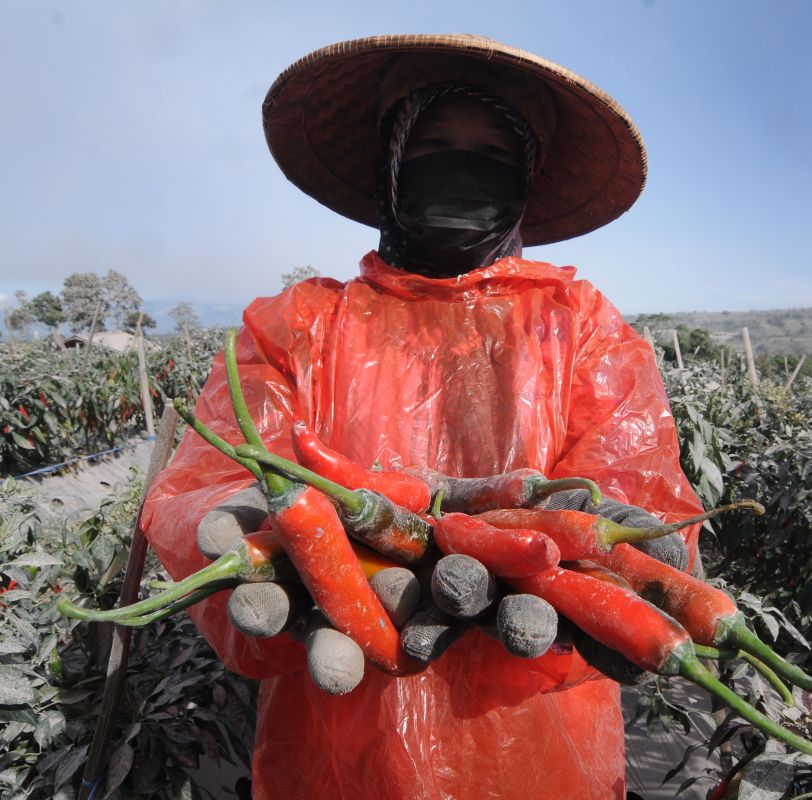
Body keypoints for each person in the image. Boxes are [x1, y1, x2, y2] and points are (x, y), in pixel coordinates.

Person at [140, 34, 705, 800]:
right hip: (341, 733)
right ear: (392, 163)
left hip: (535, 751)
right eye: (434, 143)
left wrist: (593, 578)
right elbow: (220, 478)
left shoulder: (582, 330)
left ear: (526, 179)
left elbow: (634, 509)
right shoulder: (296, 329)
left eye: (492, 153)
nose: (460, 167)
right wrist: (257, 537)